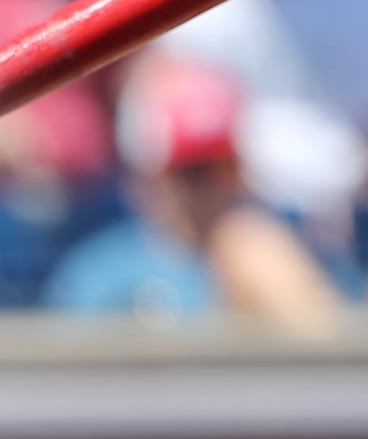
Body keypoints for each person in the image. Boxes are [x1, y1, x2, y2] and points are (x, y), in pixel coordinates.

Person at [43, 55, 352, 333]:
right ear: (149, 176)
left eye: (226, 166)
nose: (218, 186)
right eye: (194, 171)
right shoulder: (101, 276)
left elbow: (334, 357)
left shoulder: (294, 241)